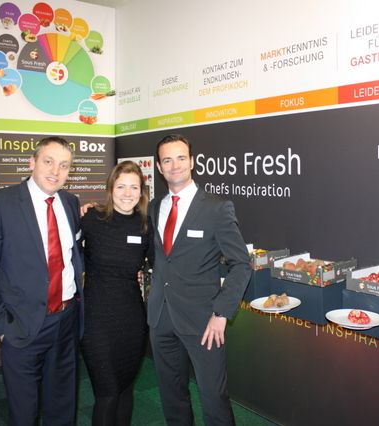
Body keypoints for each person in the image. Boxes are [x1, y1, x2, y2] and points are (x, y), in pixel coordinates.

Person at [0, 137, 83, 425]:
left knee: (63, 406)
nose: (55, 171)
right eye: (48, 161)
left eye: (64, 165)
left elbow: (72, 257)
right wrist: (0, 326)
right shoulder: (0, 202)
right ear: (32, 162)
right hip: (21, 326)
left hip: (66, 321)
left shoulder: (70, 203)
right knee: (24, 412)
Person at [148, 134, 252, 425]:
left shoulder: (217, 208)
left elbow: (241, 264)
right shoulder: (155, 207)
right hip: (160, 317)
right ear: (159, 167)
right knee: (172, 396)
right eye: (167, 160)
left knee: (213, 399)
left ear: (192, 161)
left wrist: (221, 313)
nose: (175, 165)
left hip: (204, 322)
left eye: (181, 158)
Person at [80, 161, 154, 425]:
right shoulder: (91, 218)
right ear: (111, 188)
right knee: (107, 392)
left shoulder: (145, 225)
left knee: (124, 388)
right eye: (121, 186)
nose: (127, 193)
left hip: (132, 319)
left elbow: (162, 264)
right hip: (96, 320)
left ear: (141, 192)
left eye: (134, 187)